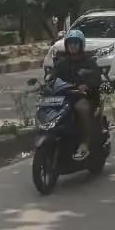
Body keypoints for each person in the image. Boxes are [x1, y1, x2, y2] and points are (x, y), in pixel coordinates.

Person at [48, 29, 103, 161]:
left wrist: (87, 85)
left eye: (75, 42)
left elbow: (96, 77)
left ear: (81, 45)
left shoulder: (88, 61)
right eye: (70, 43)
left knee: (81, 108)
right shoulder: (62, 62)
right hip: (67, 95)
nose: (73, 45)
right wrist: (47, 83)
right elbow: (53, 76)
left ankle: (85, 143)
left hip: (86, 96)